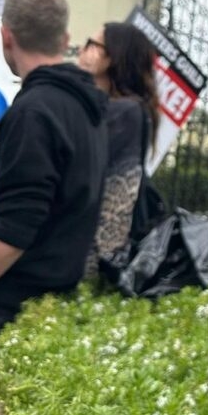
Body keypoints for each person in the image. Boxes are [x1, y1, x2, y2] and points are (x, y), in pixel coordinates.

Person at [0, 0, 108, 340]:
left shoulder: (34, 111)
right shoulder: (87, 106)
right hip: (56, 292)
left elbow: (15, 231)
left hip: (10, 308)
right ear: (65, 38)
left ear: (6, 37)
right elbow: (60, 195)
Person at [77, 22, 160, 276]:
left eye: (92, 44)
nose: (82, 49)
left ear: (112, 58)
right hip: (94, 248)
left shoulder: (124, 112)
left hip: (95, 252)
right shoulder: (126, 109)